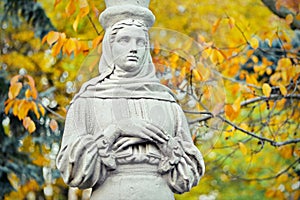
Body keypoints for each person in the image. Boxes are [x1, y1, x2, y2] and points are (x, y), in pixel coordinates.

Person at [56, 18, 205, 200]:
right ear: (110, 47)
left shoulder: (167, 101)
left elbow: (188, 174)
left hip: (158, 193)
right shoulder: (88, 100)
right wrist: (116, 130)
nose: (133, 48)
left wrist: (167, 146)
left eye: (140, 42)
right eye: (124, 40)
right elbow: (71, 169)